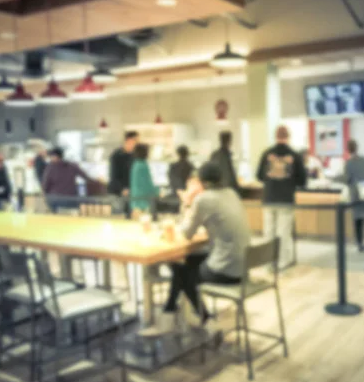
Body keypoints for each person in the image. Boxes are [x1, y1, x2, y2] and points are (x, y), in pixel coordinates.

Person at [162, 161, 250, 323]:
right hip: (244, 267)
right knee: (185, 262)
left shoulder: (204, 199)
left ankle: (204, 316)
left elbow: (186, 233)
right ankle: (170, 305)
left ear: (203, 182)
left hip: (226, 270)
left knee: (181, 271)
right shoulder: (231, 193)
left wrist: (187, 202)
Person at [256, 126, 307, 269]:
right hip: (285, 199)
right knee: (283, 232)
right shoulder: (294, 155)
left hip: (269, 197)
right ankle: (283, 261)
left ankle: (268, 261)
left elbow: (259, 176)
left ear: (275, 136)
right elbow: (302, 180)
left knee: (269, 231)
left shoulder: (266, 153)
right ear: (288, 136)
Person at [42, 147, 92, 213]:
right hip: (71, 199)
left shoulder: (50, 168)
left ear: (55, 157)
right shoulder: (72, 165)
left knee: (50, 202)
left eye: (51, 157)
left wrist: (45, 195)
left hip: (56, 200)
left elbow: (45, 185)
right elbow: (86, 177)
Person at [108, 131, 139, 202]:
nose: (137, 143)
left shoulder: (134, 156)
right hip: (118, 194)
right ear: (128, 140)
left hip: (131, 193)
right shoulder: (117, 155)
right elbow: (113, 175)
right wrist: (122, 189)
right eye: (135, 141)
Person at [129, 143, 159, 216]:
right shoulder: (143, 165)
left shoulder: (135, 164)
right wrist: (157, 191)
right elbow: (147, 183)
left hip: (136, 197)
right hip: (144, 199)